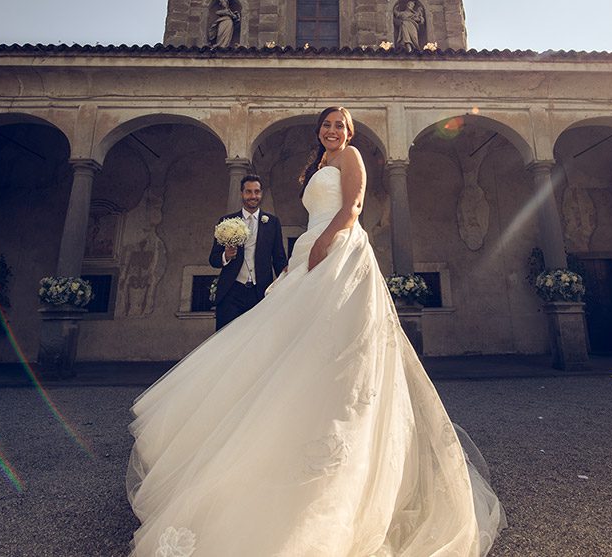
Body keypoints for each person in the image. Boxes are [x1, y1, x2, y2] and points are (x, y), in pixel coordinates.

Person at [127, 107, 505, 556]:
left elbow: (353, 207)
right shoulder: (319, 164)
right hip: (311, 245)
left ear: (348, 132)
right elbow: (314, 218)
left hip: (342, 248)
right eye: (327, 125)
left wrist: (326, 242)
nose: (332, 131)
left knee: (336, 342)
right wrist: (298, 256)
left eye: (340, 126)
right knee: (288, 338)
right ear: (318, 131)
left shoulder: (351, 157)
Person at [208, 174, 287, 331]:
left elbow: (278, 258)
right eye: (249, 192)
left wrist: (287, 281)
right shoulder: (226, 222)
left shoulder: (272, 222)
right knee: (226, 339)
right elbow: (213, 259)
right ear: (242, 193)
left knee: (256, 339)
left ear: (261, 193)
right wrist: (226, 256)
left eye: (257, 192)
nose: (253, 196)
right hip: (231, 291)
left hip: (260, 292)